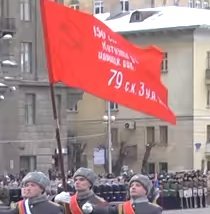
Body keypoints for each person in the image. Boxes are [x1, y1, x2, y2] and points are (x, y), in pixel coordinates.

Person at [93, 174, 162, 214]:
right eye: (131, 185)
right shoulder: (120, 207)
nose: (133, 187)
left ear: (146, 190)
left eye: (138, 185)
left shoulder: (155, 209)